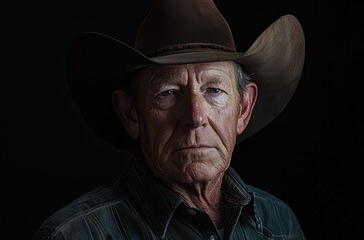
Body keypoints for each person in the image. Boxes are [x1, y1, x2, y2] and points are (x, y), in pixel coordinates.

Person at [32, 0, 306, 239]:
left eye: (214, 90)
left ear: (244, 108)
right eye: (168, 93)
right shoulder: (76, 236)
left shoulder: (278, 223)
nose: (195, 117)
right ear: (131, 114)